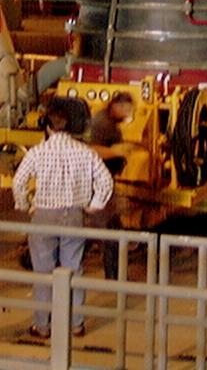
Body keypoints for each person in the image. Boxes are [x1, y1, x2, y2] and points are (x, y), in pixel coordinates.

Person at [11, 98, 114, 340]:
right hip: (74, 215)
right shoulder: (84, 152)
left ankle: (42, 326)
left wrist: (25, 204)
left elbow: (18, 182)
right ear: (69, 127)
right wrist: (94, 205)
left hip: (44, 214)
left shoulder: (38, 152)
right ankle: (76, 324)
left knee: (44, 273)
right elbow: (105, 181)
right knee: (73, 270)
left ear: (48, 126)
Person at [87, 91, 135, 280]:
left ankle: (113, 274)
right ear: (117, 106)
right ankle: (113, 276)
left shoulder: (110, 122)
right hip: (99, 183)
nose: (127, 115)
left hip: (105, 183)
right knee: (108, 230)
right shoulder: (102, 123)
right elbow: (93, 149)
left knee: (109, 229)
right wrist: (117, 152)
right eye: (126, 110)